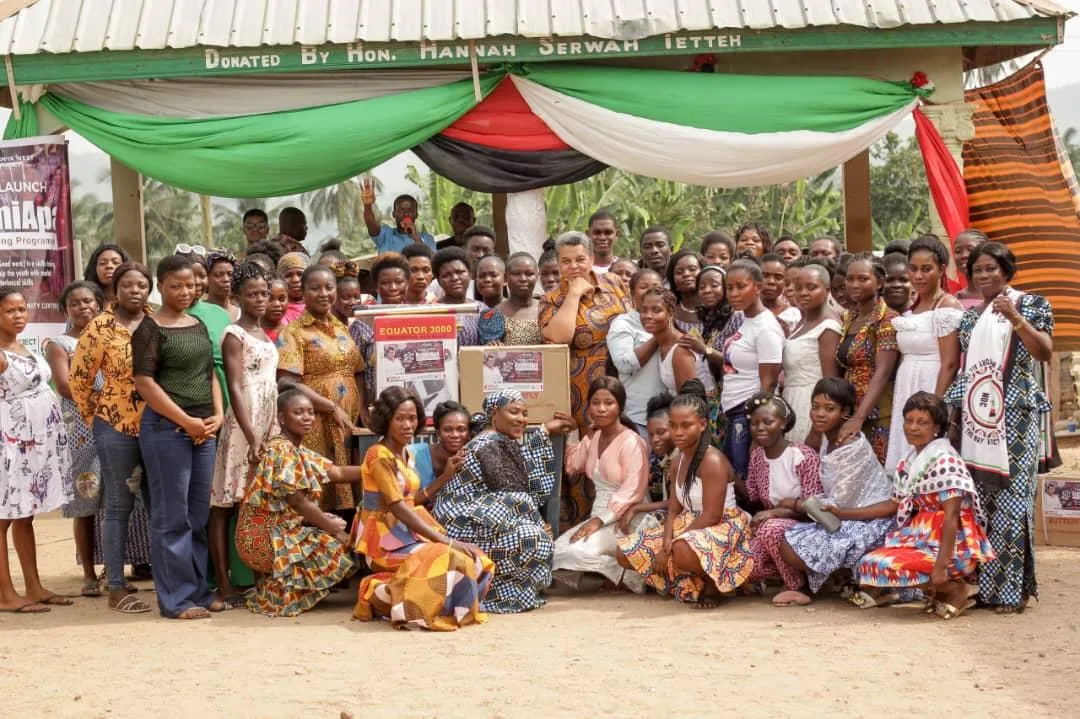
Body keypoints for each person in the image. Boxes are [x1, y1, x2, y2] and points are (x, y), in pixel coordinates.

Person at [945, 242, 1054, 614]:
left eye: (992, 268)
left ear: (1007, 271)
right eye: (978, 270)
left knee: (1011, 500)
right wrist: (952, 415)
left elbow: (1044, 352)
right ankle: (986, 587)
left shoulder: (1032, 304)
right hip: (978, 418)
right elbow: (968, 372)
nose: (985, 275)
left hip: (1017, 416)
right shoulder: (972, 318)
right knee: (983, 502)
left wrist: (1016, 320)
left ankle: (1010, 591)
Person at [131, 255, 225, 619]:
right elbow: (144, 383)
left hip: (204, 429)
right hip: (168, 431)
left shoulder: (199, 323)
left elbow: (210, 374)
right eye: (176, 286)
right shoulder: (149, 330)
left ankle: (199, 591)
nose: (185, 291)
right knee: (172, 518)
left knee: (197, 515)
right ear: (161, 287)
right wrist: (186, 421)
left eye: (190, 285)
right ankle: (176, 600)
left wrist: (217, 414)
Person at [353, 387, 493, 629]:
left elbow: (411, 501)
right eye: (400, 418)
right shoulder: (379, 455)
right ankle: (377, 591)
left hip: (407, 531)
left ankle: (432, 604)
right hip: (384, 539)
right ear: (386, 419)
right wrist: (445, 541)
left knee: (477, 559)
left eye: (413, 418)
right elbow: (397, 507)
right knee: (449, 558)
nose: (408, 424)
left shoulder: (405, 453)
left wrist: (446, 476)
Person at [433, 391, 574, 613]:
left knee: (533, 535)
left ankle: (494, 591)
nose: (521, 419)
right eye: (514, 411)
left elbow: (513, 489)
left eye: (525, 414)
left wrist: (545, 430)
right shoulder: (491, 444)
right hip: (463, 522)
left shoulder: (497, 440)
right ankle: (493, 595)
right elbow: (513, 495)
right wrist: (537, 523)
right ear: (494, 414)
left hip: (468, 519)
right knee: (535, 540)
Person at [616, 381, 754, 608]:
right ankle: (691, 578)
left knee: (681, 550)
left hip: (723, 525)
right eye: (674, 425)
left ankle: (713, 585)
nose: (678, 432)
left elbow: (712, 515)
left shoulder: (713, 461)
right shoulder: (678, 461)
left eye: (686, 425)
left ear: (702, 424)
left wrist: (673, 545)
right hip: (689, 524)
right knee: (624, 551)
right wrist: (666, 542)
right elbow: (673, 509)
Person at [857, 393, 995, 619]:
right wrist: (842, 513)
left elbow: (952, 518)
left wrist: (941, 566)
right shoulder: (909, 460)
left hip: (951, 542)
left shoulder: (945, 461)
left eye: (922, 422)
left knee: (892, 566)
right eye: (909, 420)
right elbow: (894, 505)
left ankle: (956, 589)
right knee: (870, 564)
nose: (913, 427)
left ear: (937, 427)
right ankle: (940, 592)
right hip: (921, 536)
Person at [70, 262, 155, 614]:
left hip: (159, 426)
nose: (135, 291)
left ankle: (170, 580)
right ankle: (117, 587)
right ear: (115, 290)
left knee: (158, 505)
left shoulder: (158, 321)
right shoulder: (100, 328)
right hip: (116, 427)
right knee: (119, 506)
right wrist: (98, 418)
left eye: (142, 285)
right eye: (128, 285)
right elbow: (79, 381)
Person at [237, 390, 358, 617]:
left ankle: (280, 586)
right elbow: (298, 500)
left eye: (311, 412)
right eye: (298, 412)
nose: (307, 417)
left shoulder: (296, 449)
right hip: (262, 538)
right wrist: (333, 530)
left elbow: (337, 471)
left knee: (332, 526)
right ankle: (280, 592)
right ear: (282, 418)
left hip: (277, 530)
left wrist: (378, 467)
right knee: (337, 545)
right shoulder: (282, 450)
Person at [780, 378, 896, 604]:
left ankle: (853, 580)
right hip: (845, 516)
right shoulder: (829, 439)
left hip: (871, 521)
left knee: (794, 545)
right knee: (789, 541)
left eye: (829, 409)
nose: (820, 414)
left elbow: (837, 508)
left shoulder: (850, 446)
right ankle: (846, 580)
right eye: (815, 407)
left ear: (846, 412)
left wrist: (795, 505)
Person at [209, 263, 279, 607]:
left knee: (259, 503)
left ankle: (260, 577)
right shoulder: (234, 334)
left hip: (268, 418)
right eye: (252, 294)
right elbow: (235, 385)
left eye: (264, 293)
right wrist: (251, 434)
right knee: (224, 504)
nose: (261, 300)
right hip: (243, 422)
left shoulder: (266, 334)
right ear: (237, 298)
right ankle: (223, 583)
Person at [0, 288, 73, 613]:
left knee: (24, 516)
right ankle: (5, 594)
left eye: (22, 309)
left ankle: (34, 585)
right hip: (9, 445)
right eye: (10, 311)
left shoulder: (20, 346)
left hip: (33, 447)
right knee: (2, 519)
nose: (19, 316)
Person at [277, 264, 367, 513]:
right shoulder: (294, 332)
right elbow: (287, 382)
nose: (323, 293)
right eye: (315, 288)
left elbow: (358, 371)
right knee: (319, 486)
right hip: (314, 420)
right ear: (303, 293)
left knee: (351, 490)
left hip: (348, 422)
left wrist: (363, 411)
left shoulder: (342, 328)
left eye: (329, 287)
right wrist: (330, 407)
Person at [554, 378, 650, 592]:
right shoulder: (594, 437)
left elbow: (632, 491)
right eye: (595, 403)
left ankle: (628, 570)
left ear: (620, 407)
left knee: (577, 553)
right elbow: (573, 465)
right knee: (557, 551)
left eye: (609, 403)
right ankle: (621, 569)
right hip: (598, 518)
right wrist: (573, 431)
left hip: (626, 520)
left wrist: (599, 520)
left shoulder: (632, 442)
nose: (601, 409)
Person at [45, 281, 106, 598]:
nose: (84, 307)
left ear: (98, 304)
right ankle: (88, 573)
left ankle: (114, 568)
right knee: (86, 501)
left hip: (116, 426)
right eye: (76, 303)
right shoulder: (59, 343)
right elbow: (65, 386)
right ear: (66, 310)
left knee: (119, 500)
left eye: (89, 301)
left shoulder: (111, 339)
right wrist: (106, 397)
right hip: (81, 431)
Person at [539, 231, 632, 431]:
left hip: (626, 380)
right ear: (558, 264)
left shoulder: (614, 283)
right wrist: (573, 293)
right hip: (584, 391)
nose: (574, 266)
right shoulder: (551, 299)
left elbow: (632, 320)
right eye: (566, 261)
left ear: (591, 259)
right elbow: (558, 338)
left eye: (580, 259)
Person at [886, 235, 963, 473]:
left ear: (941, 269)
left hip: (932, 384)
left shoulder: (946, 306)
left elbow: (950, 363)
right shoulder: (912, 308)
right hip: (907, 383)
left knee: (929, 455)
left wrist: (934, 408)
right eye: (914, 269)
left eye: (926, 269)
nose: (918, 276)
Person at [743, 394, 823, 606]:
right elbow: (752, 495)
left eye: (768, 422)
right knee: (746, 565)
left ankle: (797, 587)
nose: (760, 428)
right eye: (754, 423)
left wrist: (775, 513)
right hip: (774, 527)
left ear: (784, 423)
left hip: (805, 526)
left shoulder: (802, 455)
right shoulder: (758, 457)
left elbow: (814, 508)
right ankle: (793, 574)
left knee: (770, 529)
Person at [720, 259, 784, 479]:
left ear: (757, 287)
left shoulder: (766, 327)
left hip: (748, 413)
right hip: (733, 409)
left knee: (744, 476)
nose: (734, 293)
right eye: (729, 287)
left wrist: (757, 433)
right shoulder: (744, 320)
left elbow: (769, 382)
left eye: (741, 286)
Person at [835, 253, 898, 464]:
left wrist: (859, 417)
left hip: (878, 413)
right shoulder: (848, 318)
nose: (854, 284)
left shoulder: (887, 319)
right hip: (850, 411)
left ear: (879, 282)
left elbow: (883, 371)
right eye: (850, 279)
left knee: (878, 478)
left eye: (863, 279)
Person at [782, 263, 841, 443]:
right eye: (799, 288)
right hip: (791, 399)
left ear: (827, 290)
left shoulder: (828, 327)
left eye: (811, 287)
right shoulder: (800, 323)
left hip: (811, 404)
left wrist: (816, 429)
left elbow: (830, 383)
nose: (803, 293)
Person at [640, 287, 718, 414]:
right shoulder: (662, 344)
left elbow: (689, 401)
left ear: (670, 313)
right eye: (644, 310)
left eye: (656, 310)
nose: (648, 316)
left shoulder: (680, 349)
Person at [607, 269, 666, 433]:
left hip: (668, 417)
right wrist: (658, 336)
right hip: (638, 418)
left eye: (656, 287)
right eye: (644, 286)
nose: (650, 291)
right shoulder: (622, 324)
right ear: (631, 293)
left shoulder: (671, 322)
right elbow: (625, 365)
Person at [186, 250, 234, 411]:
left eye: (202, 275)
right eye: (192, 275)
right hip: (193, 394)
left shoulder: (219, 313)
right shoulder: (170, 316)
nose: (197, 281)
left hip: (226, 388)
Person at [478, 252, 542, 345]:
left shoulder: (547, 309)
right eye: (516, 274)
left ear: (537, 276)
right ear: (505, 277)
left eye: (529, 274)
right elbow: (488, 351)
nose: (523, 278)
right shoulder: (492, 314)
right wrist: (493, 346)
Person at [410, 401, 470, 498]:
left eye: (461, 429)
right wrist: (445, 477)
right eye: (447, 429)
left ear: (469, 433)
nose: (455, 435)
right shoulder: (413, 454)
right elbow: (406, 502)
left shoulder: (471, 459)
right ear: (437, 432)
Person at [362, 178, 436, 253]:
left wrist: (416, 237)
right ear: (394, 214)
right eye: (401, 209)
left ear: (416, 214)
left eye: (410, 210)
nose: (406, 213)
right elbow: (370, 222)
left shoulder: (427, 238)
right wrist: (367, 206)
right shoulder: (386, 235)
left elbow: (432, 260)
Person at [432, 247, 484, 347]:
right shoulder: (431, 312)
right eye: (446, 275)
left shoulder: (482, 309)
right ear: (438, 280)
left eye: (460, 272)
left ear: (470, 274)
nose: (455, 278)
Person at [645, 393, 676, 504]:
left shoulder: (683, 460)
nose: (655, 439)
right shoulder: (664, 461)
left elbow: (675, 503)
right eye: (651, 434)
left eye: (661, 432)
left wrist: (637, 508)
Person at [667, 250, 704, 333]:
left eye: (692, 269)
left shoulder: (717, 310)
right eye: (679, 272)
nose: (686, 274)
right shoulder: (668, 313)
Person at [761, 252, 799, 331]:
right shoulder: (742, 312)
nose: (771, 281)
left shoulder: (794, 315)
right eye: (765, 276)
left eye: (778, 277)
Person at [952, 229, 988, 309]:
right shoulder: (954, 299)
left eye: (971, 250)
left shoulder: (1003, 296)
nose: (964, 255)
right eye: (958, 251)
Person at [205, 250, 240, 321]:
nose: (226, 279)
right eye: (218, 275)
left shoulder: (241, 314)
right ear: (207, 277)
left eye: (230, 274)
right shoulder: (196, 313)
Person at [276, 252, 309, 325]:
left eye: (300, 274)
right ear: (280, 279)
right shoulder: (277, 309)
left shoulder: (317, 305)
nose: (295, 280)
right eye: (288, 275)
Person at [262, 277, 288, 343]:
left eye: (281, 299)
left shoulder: (293, 333)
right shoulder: (249, 335)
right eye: (270, 299)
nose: (277, 304)